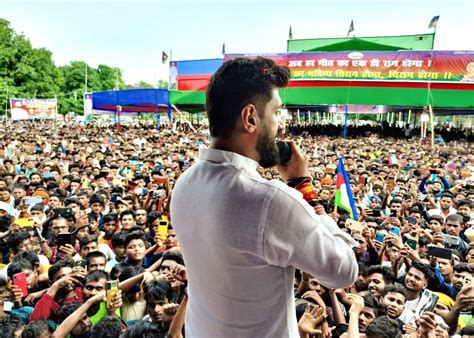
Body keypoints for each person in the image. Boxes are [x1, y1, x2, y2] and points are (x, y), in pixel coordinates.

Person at [171, 57, 358, 336]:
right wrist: (302, 184)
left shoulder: (184, 183)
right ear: (250, 118)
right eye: (276, 112)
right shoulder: (269, 201)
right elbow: (343, 271)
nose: (280, 124)